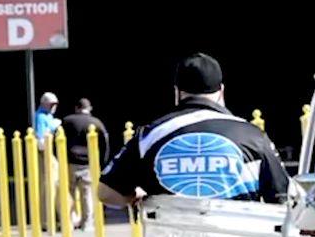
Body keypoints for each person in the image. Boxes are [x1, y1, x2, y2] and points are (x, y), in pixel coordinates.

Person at [98, 52, 290, 207]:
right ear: (221, 91)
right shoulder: (252, 135)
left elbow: (106, 192)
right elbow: (283, 198)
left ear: (177, 92)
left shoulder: (148, 137)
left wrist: (135, 196)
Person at [60, 98, 109, 230]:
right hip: (88, 163)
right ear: (90, 108)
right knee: (87, 193)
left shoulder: (67, 121)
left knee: (68, 193)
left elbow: (57, 138)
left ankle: (69, 222)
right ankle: (87, 223)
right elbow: (105, 142)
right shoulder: (96, 122)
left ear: (76, 108)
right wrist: (102, 162)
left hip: (70, 162)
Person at [34, 92, 63, 230]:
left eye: (55, 104)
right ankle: (47, 221)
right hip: (46, 153)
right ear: (44, 103)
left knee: (55, 185)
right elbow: (41, 139)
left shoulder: (47, 115)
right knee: (50, 186)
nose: (54, 107)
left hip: (50, 152)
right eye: (52, 104)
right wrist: (54, 126)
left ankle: (55, 218)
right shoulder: (40, 117)